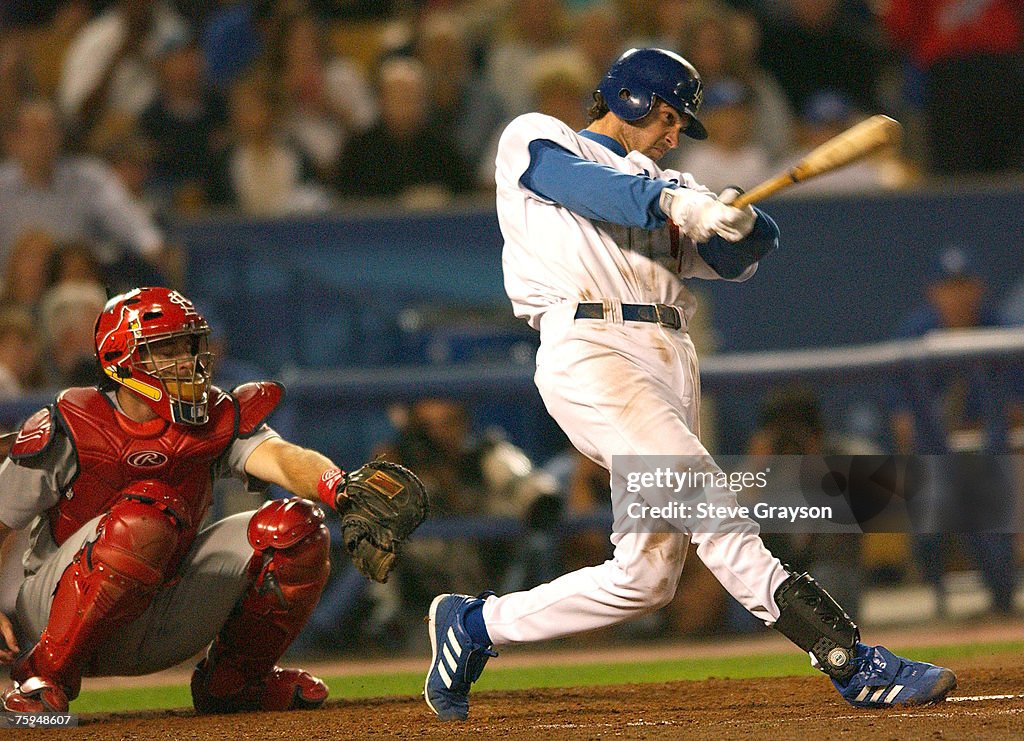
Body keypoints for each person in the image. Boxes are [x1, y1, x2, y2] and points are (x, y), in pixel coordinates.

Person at [423, 47, 957, 721]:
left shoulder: (665, 182)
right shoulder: (538, 136)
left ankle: (474, 625)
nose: (674, 134)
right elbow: (585, 187)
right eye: (668, 117)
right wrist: (677, 202)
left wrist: (737, 217)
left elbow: (742, 252)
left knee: (644, 578)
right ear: (631, 99)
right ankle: (849, 659)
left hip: (668, 357)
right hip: (591, 350)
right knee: (712, 504)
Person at [0, 286, 403, 714]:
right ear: (123, 358)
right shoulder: (73, 424)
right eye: (165, 349)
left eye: (189, 347)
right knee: (144, 516)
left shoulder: (213, 415)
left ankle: (233, 682)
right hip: (54, 612)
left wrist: (336, 485)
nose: (186, 363)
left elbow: (282, 459)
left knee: (296, 527)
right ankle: (43, 677)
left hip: (161, 606)